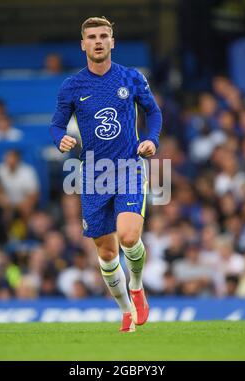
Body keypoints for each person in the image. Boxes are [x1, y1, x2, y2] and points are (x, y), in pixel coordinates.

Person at [50, 17, 162, 332]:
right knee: (106, 251)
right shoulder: (72, 86)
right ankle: (126, 308)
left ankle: (137, 285)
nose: (98, 41)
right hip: (93, 176)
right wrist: (60, 139)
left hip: (128, 166)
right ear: (83, 44)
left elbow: (153, 111)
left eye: (103, 36)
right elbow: (57, 124)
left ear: (112, 41)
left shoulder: (131, 77)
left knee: (128, 236)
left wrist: (151, 139)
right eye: (92, 37)